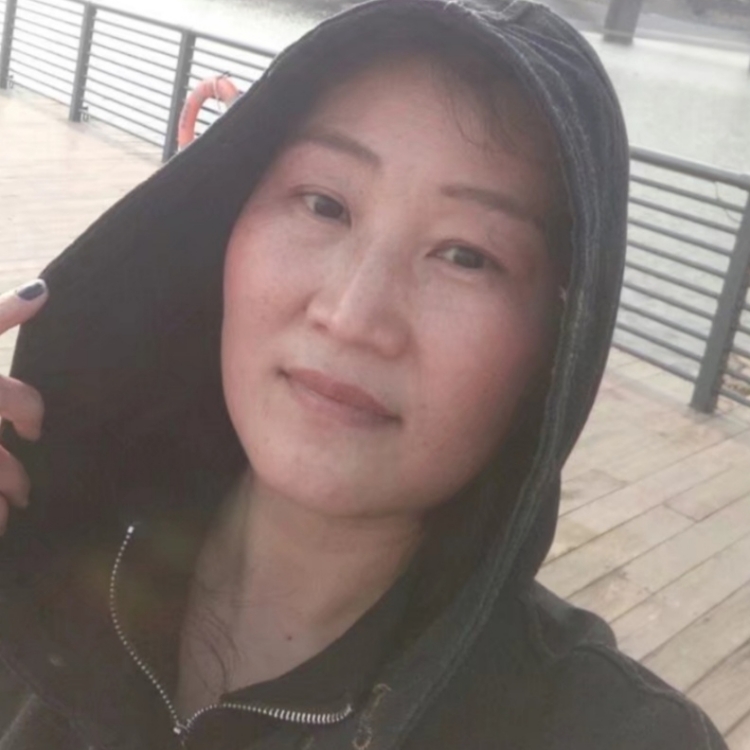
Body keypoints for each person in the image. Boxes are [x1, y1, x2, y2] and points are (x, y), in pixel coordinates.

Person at [0, 1, 728, 748]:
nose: (352, 316)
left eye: (466, 256)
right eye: (324, 205)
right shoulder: (33, 547)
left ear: (559, 336)